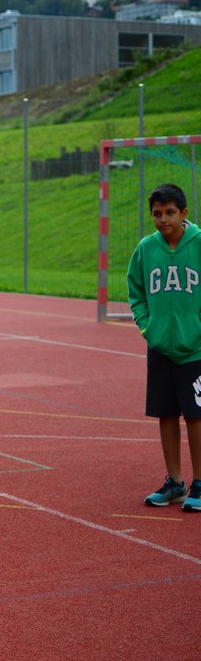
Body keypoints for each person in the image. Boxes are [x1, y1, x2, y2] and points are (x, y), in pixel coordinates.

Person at [127, 183, 201, 512]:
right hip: (159, 347)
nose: (163, 219)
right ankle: (175, 481)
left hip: (195, 349)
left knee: (196, 417)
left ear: (184, 214)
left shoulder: (199, 244)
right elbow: (137, 292)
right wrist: (148, 326)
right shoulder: (146, 248)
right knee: (166, 414)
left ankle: (199, 482)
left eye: (170, 213)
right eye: (157, 214)